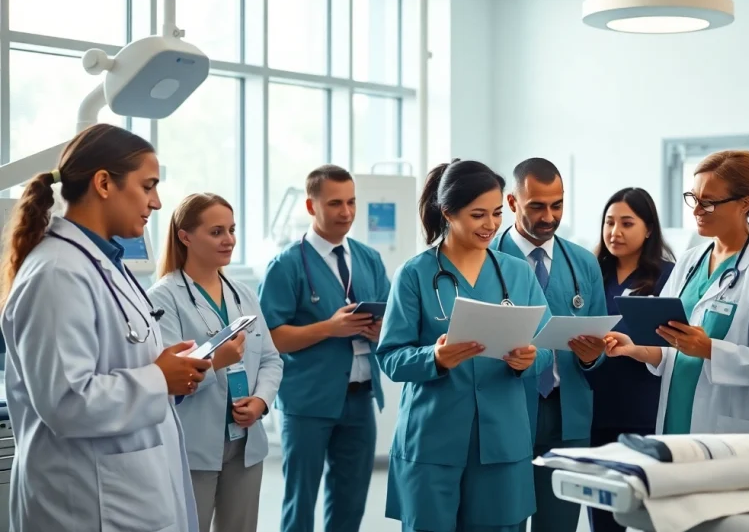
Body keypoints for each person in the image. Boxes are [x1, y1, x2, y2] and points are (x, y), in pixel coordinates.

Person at [0, 124, 211, 532]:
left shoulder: (103, 263)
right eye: (147, 186)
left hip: (127, 488)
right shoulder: (57, 272)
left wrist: (169, 368)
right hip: (86, 501)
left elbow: (119, 359)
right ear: (103, 183)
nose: (156, 201)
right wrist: (158, 378)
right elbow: (66, 402)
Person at [378, 159, 552, 532]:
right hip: (433, 440)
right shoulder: (414, 274)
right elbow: (391, 357)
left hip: (502, 441)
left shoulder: (517, 272)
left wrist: (528, 360)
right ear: (447, 213)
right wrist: (434, 358)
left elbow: (547, 345)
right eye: (477, 215)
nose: (490, 225)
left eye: (495, 213)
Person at [605, 150, 749, 435]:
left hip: (730, 427)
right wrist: (639, 350)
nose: (696, 211)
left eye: (708, 203)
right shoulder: (689, 260)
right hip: (675, 416)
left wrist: (709, 349)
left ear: (745, 204)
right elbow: (673, 349)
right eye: (693, 199)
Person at [257, 165, 392, 532]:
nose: (346, 212)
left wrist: (381, 330)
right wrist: (330, 328)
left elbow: (393, 325)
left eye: (351, 202)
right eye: (334, 203)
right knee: (300, 501)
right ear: (311, 205)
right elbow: (271, 338)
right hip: (308, 402)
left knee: (351, 502)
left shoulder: (369, 260)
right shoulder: (286, 266)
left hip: (361, 399)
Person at [148, 193, 284, 532]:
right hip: (194, 443)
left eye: (232, 230)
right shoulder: (164, 297)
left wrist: (262, 401)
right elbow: (170, 380)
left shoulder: (244, 294)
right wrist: (216, 361)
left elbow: (270, 359)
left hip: (245, 438)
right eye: (216, 231)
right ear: (185, 236)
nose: (229, 240)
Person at [491, 158, 607, 532]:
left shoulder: (583, 263)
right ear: (512, 203)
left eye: (557, 205)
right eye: (537, 206)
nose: (548, 216)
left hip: (566, 414)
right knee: (503, 520)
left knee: (559, 525)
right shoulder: (486, 259)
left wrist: (593, 357)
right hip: (504, 410)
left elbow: (599, 347)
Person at [587, 187, 674, 532]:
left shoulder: (668, 277)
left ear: (648, 228)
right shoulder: (593, 274)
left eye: (626, 223)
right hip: (595, 409)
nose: (614, 232)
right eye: (609, 222)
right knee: (602, 515)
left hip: (643, 411)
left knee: (647, 513)